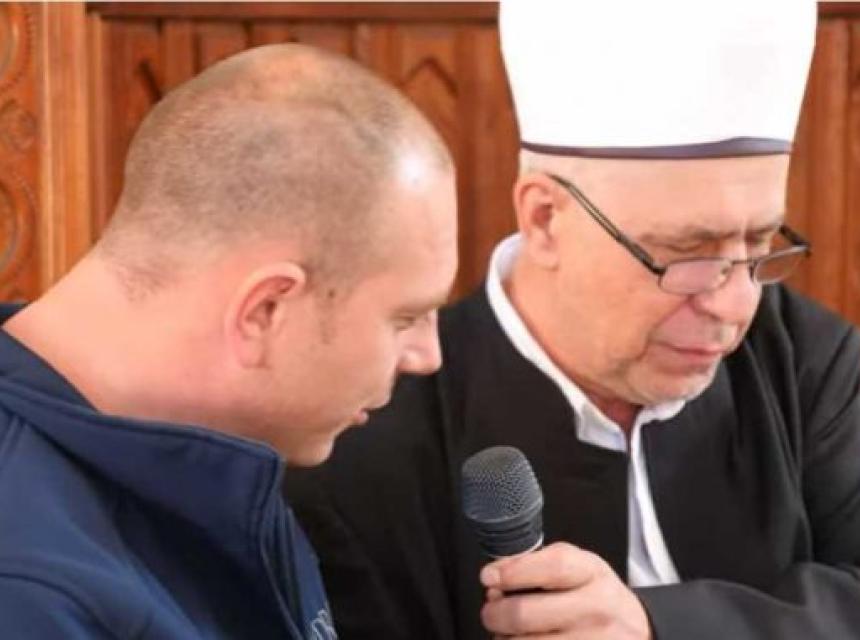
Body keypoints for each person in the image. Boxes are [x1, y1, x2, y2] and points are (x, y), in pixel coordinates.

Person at [284, 1, 860, 638]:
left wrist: (657, 626)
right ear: (545, 219)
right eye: (685, 253)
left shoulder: (808, 360)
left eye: (758, 244)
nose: (736, 305)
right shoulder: (378, 427)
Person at [0, 43, 457, 639]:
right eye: (405, 318)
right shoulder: (29, 591)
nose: (428, 356)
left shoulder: (218, 455)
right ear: (265, 310)